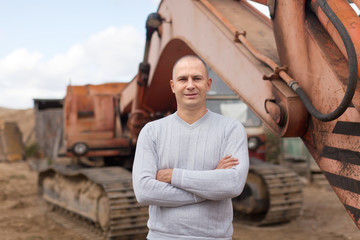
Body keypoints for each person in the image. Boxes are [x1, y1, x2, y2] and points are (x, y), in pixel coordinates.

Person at [132, 55, 249, 240]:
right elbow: (144, 191)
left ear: (208, 84)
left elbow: (232, 184)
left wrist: (173, 176)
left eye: (197, 78)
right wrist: (210, 186)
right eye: (182, 79)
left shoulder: (231, 129)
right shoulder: (152, 131)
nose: (190, 85)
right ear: (172, 86)